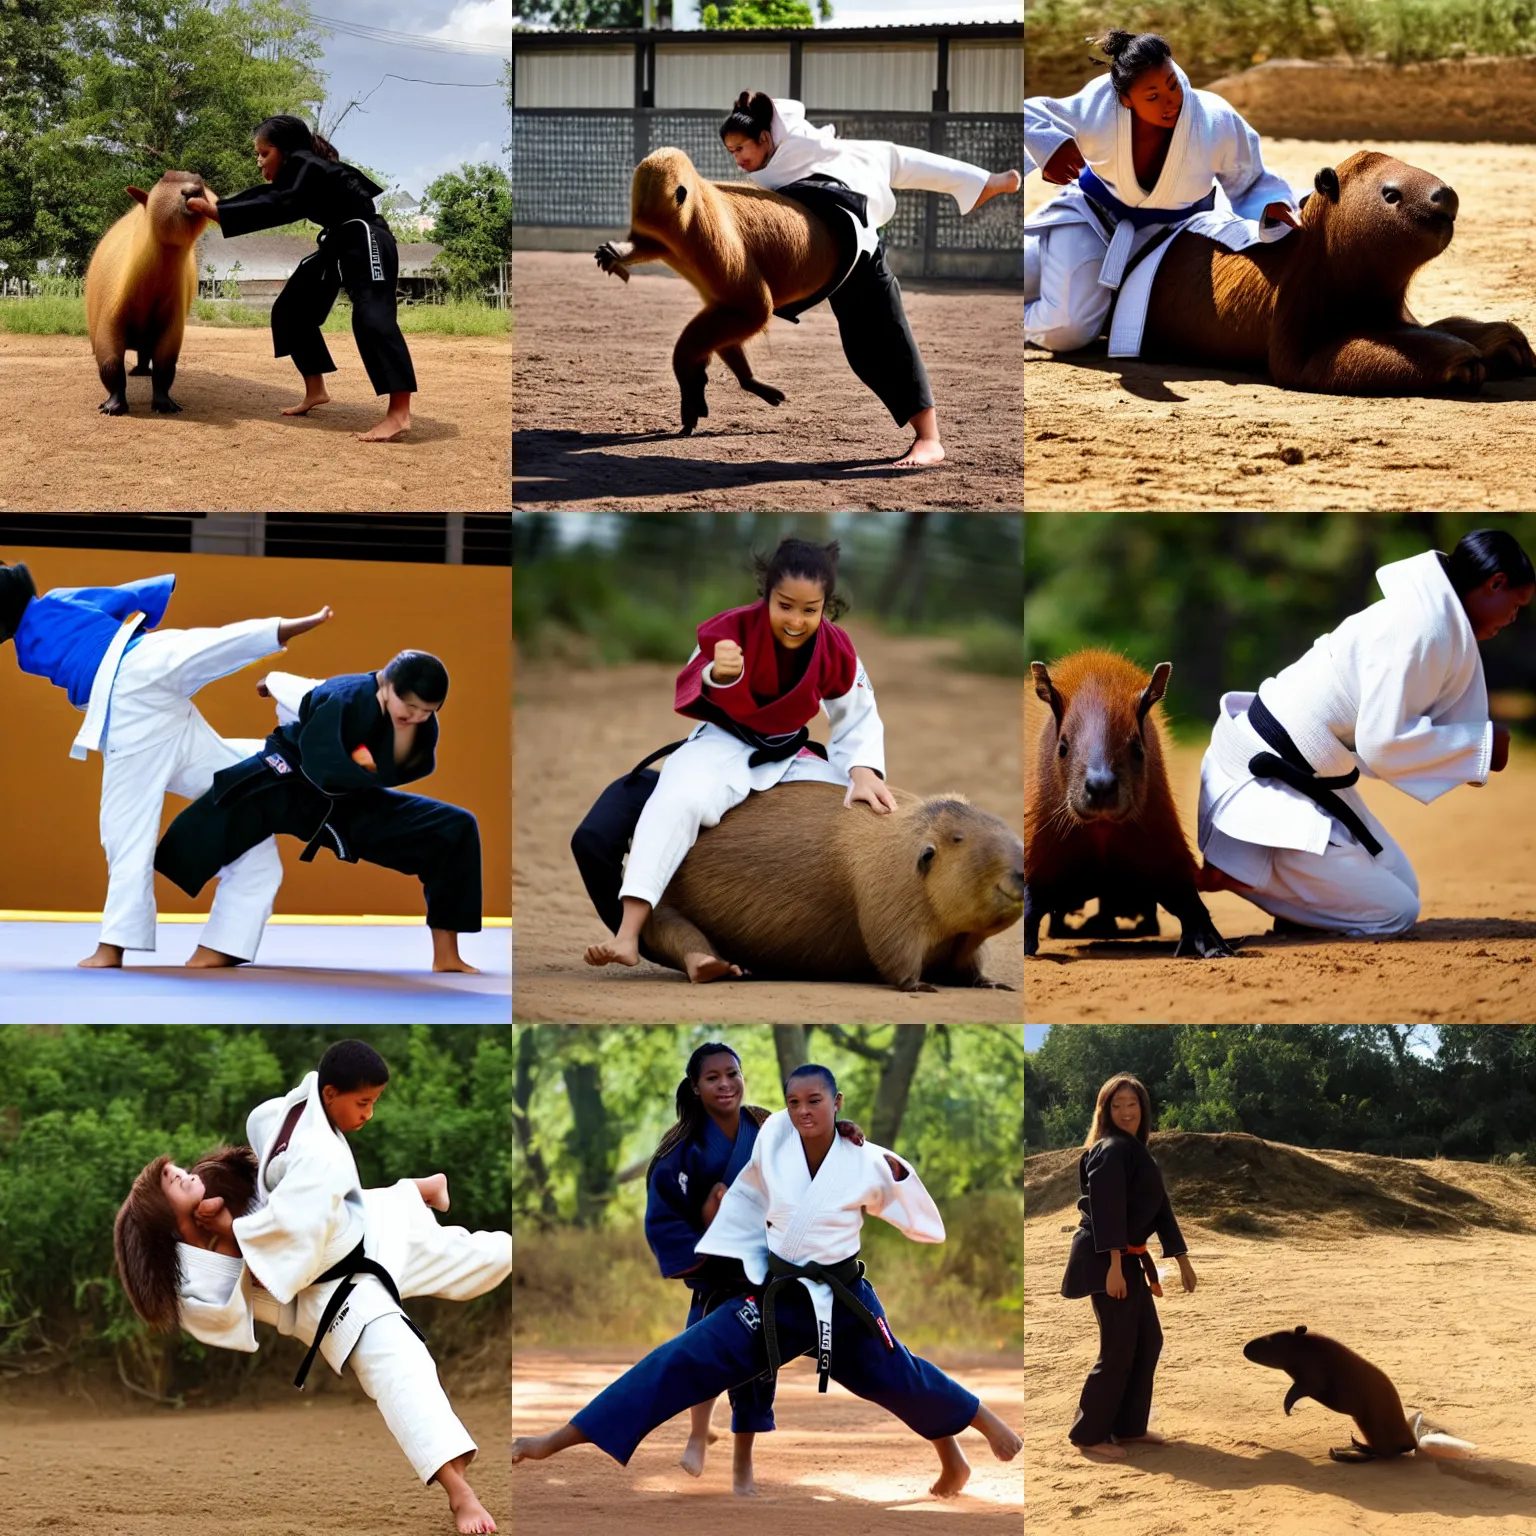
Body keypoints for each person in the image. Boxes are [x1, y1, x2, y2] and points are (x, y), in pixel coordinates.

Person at [512, 1064, 1023, 1498]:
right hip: (773, 1301)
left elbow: (923, 1223)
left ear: (837, 1101)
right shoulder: (776, 1134)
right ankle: (556, 1438)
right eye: (794, 1101)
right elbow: (749, 1170)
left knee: (901, 1378)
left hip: (840, 1302)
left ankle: (980, 1430)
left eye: (816, 1101)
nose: (803, 1110)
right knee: (677, 1359)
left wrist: (890, 1165)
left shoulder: (867, 1161)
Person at [114, 1038, 512, 1536]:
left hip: (371, 1233)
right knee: (403, 1372)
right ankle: (462, 1496)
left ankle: (416, 1191)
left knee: (494, 1255)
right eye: (174, 1181)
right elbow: (241, 1298)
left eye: (175, 1170)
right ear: (169, 1223)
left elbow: (299, 1184)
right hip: (341, 1302)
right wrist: (230, 1240)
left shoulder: (228, 1189)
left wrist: (234, 1227)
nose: (183, 1172)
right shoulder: (197, 1279)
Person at [1197, 530, 1535, 935]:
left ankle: (1298, 909)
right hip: (1261, 780)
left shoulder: (1431, 617)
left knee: (1403, 886)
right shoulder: (1423, 626)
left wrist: (1471, 749)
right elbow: (1380, 744)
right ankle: (1236, 870)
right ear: (1495, 583)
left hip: (1307, 776)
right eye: (1516, 605)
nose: (1514, 618)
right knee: (1395, 912)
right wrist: (1478, 746)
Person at [583, 537, 891, 982]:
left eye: (810, 609)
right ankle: (629, 934)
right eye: (785, 605)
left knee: (845, 810)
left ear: (827, 605)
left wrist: (862, 773)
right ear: (766, 594)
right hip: (721, 743)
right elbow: (693, 679)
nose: (796, 620)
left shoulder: (837, 647)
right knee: (677, 801)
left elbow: (857, 716)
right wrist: (717, 673)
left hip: (788, 753)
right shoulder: (728, 631)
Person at [0, 558, 330, 969]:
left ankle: (114, 946)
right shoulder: (59, 602)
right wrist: (152, 601)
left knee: (127, 832)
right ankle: (223, 943)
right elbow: (125, 598)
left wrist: (145, 604)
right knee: (240, 787)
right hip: (140, 680)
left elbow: (121, 604)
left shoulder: (26, 653)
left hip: (129, 699)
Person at [717, 92, 1021, 469]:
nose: (738, 159)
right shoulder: (794, 158)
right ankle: (981, 182)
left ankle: (930, 439)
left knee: (884, 340)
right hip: (835, 257)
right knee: (863, 350)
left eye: (741, 147)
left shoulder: (802, 152)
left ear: (765, 137)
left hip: (857, 246)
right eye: (731, 152)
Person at [153, 651, 483, 972]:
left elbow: (418, 764)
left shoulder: (414, 720)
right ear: (386, 684)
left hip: (347, 802)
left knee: (453, 829)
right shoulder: (344, 697)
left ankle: (446, 956)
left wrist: (374, 767)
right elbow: (320, 764)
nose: (417, 717)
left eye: (428, 711)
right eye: (410, 707)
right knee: (191, 841)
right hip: (283, 781)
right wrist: (368, 767)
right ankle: (158, 944)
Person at [643, 1040, 868, 1493]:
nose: (726, 1084)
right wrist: (710, 1223)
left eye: (733, 1073)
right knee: (700, 1354)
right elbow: (666, 1216)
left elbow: (813, 1140)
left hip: (768, 1270)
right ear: (695, 1086)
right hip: (716, 1269)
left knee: (758, 1373)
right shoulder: (679, 1150)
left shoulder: (770, 1125)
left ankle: (742, 1465)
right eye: (713, 1077)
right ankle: (696, 1435)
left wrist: (844, 1129)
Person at [1025, 30, 1298, 357]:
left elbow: (1252, 181)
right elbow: (1030, 114)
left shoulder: (1213, 118)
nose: (1170, 102)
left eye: (1172, 85)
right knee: (1067, 332)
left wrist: (1272, 208)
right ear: (1126, 99)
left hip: (1172, 235)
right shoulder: (1102, 105)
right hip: (1092, 218)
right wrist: (1050, 146)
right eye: (1152, 97)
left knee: (1078, 314)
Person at [188, 114, 417, 442]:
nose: (258, 161)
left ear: (285, 150)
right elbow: (269, 196)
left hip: (366, 237)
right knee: (291, 310)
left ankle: (399, 414)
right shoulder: (301, 172)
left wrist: (218, 212)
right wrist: (222, 207)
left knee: (371, 316)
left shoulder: (308, 166)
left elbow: (278, 203)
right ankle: (316, 390)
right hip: (339, 241)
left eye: (264, 153)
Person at [1061, 1073, 1194, 1461]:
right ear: (1105, 1111)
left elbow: (1161, 1207)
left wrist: (1181, 1258)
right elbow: (1106, 1210)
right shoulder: (1110, 1150)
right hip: (1105, 1260)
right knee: (1118, 1349)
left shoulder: (1136, 1150)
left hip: (1126, 1259)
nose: (1125, 1111)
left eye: (1132, 1104)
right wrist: (1115, 1265)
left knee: (1148, 1340)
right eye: (1116, 1105)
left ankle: (1130, 1427)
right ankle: (1089, 1433)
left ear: (1143, 1108)